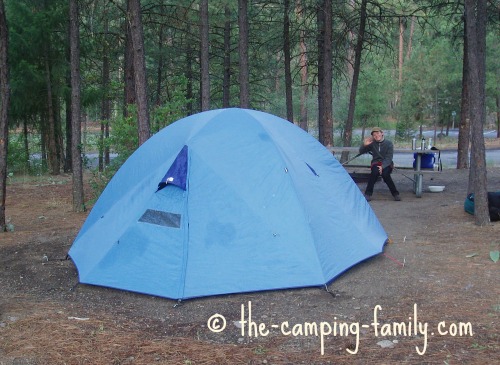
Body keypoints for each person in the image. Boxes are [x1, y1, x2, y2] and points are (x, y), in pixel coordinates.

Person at [359, 127, 401, 202]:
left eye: (378, 133)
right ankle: (368, 194)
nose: (376, 136)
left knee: (385, 174)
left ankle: (395, 193)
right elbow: (361, 151)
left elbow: (389, 158)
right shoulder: (372, 144)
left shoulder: (389, 143)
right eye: (374, 135)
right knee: (374, 173)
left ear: (382, 133)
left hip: (387, 163)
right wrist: (364, 145)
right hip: (375, 162)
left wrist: (382, 166)